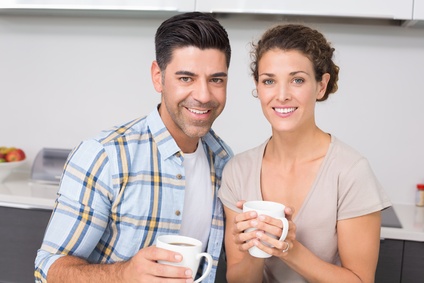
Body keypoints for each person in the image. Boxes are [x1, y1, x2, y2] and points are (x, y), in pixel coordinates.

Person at [34, 12, 232, 283]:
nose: (203, 95)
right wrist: (123, 274)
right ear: (158, 77)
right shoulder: (104, 156)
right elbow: (47, 269)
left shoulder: (225, 162)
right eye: (186, 78)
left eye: (216, 80)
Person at [218, 24, 391, 283]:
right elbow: (239, 280)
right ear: (258, 87)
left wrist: (289, 249)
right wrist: (257, 248)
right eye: (269, 81)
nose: (282, 95)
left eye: (297, 80)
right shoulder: (238, 171)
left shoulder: (350, 171)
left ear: (321, 86)